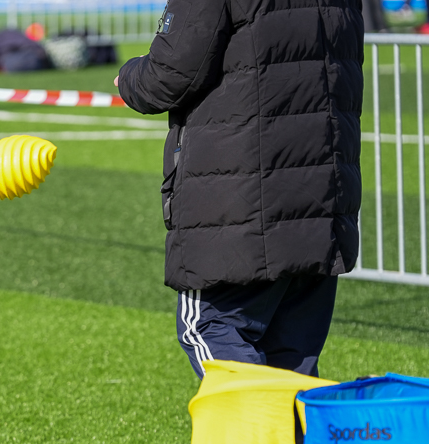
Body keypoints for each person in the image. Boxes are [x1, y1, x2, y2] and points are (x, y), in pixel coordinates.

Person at [114, 0, 363, 379]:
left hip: (241, 198)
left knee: (208, 329)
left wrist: (130, 76)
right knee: (292, 368)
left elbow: (170, 73)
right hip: (323, 196)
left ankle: (255, 419)